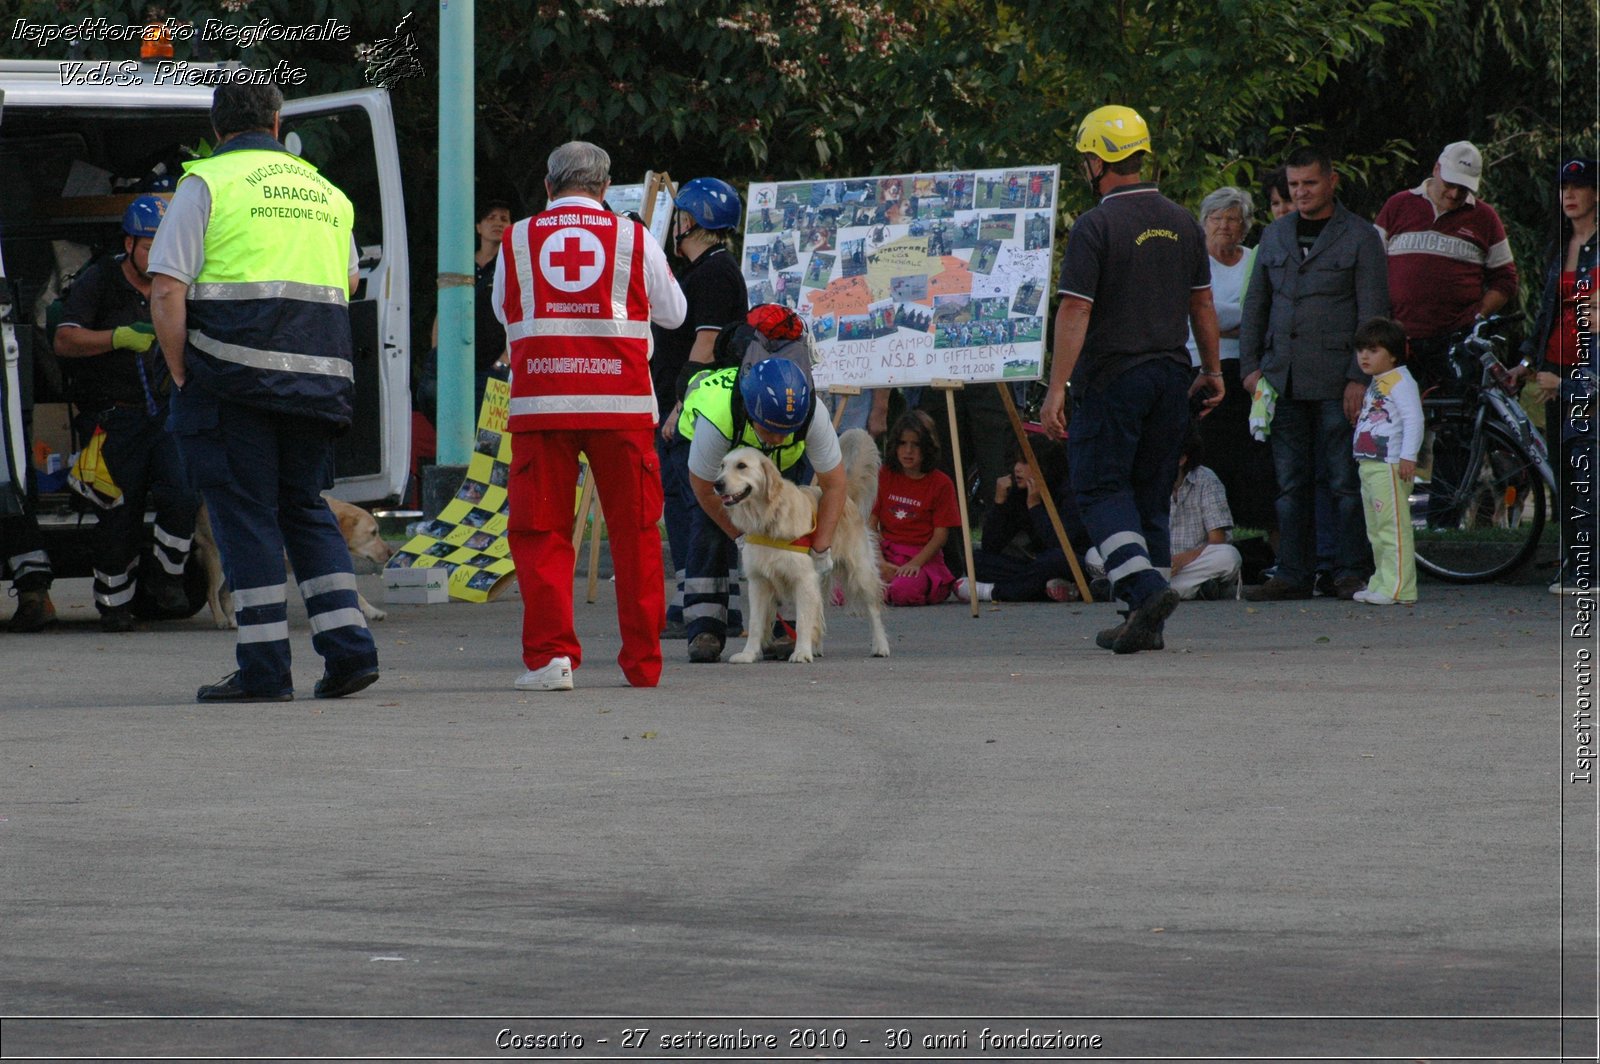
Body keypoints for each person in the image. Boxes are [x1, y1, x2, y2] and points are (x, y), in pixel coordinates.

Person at [149, 81, 380, 703]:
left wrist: (179, 371)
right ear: (277, 124)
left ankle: (263, 669)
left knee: (244, 518)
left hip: (231, 381)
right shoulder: (327, 193)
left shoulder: (207, 185)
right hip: (318, 384)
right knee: (305, 509)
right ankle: (351, 655)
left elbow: (167, 289)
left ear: (219, 129)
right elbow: (348, 284)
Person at [490, 141, 686, 691]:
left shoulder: (517, 238)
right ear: (604, 189)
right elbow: (675, 313)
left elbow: (502, 309)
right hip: (621, 406)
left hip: (542, 405)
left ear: (548, 187)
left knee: (541, 531)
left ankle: (552, 660)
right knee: (637, 532)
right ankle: (644, 665)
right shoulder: (633, 236)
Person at [1039, 103, 1224, 654]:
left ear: (1098, 160)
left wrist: (1055, 390)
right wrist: (1212, 371)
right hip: (1172, 375)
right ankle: (1144, 621)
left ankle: (1146, 592)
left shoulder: (1096, 225)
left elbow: (1075, 311)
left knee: (1100, 489)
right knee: (1149, 496)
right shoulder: (1184, 221)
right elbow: (1203, 303)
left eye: (1085, 159)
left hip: (1113, 378)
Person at [1240, 145, 1390, 602]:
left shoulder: (1361, 236)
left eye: (1309, 183)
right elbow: (1256, 306)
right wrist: (1249, 368)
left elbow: (1374, 313)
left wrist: (1358, 378)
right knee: (1289, 485)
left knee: (1345, 482)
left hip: (1336, 380)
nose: (1301, 192)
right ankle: (1293, 573)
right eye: (1293, 185)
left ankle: (1349, 571)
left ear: (1331, 181)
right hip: (1280, 379)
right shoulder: (1275, 234)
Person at [54, 194, 197, 632]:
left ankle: (165, 577)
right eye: (149, 245)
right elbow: (65, 340)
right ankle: (114, 603)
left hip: (168, 414)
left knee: (183, 495)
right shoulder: (99, 281)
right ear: (129, 243)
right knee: (118, 514)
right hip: (114, 418)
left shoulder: (178, 282)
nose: (158, 255)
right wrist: (116, 337)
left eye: (164, 244)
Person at [681, 356, 846, 662]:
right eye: (771, 430)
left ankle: (788, 630)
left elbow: (835, 485)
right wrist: (741, 536)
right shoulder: (718, 417)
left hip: (780, 470)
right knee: (708, 531)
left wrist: (820, 547)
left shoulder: (812, 414)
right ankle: (705, 627)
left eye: (787, 430)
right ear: (752, 411)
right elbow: (704, 487)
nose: (779, 438)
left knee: (790, 544)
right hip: (711, 461)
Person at [653, 176, 747, 639]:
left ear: (690, 219)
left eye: (678, 216)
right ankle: (701, 600)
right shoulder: (701, 270)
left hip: (696, 410)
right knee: (683, 503)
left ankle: (703, 609)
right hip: (690, 408)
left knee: (696, 504)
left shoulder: (714, 273)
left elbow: (705, 347)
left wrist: (677, 406)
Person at [1374, 142, 1517, 390]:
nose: (1454, 195)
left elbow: (1505, 279)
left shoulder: (1484, 217)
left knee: (1456, 419)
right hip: (1398, 341)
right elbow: (1370, 267)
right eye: (1449, 185)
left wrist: (1477, 316)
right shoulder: (1398, 206)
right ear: (1436, 169)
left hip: (1455, 344)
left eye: (1463, 189)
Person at [1519, 158, 1598, 594]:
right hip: (1557, 368)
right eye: (1564, 187)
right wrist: (1530, 360)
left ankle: (1590, 568)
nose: (1569, 195)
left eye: (1579, 187)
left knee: (1588, 469)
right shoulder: (1562, 244)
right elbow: (1548, 312)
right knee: (1565, 472)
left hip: (1589, 372)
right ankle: (1574, 561)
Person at [1186, 186, 1275, 532]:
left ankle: (1252, 537)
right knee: (1209, 456)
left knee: (1251, 460)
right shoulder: (1194, 260)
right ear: (1203, 222)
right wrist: (1235, 318)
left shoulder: (1255, 259)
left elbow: (1263, 314)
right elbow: (1196, 310)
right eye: (1216, 217)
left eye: (1232, 219)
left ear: (1245, 225)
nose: (1224, 225)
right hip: (1200, 369)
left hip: (1247, 372)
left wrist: (1212, 316)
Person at [1085, 431, 1242, 601]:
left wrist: (1181, 560)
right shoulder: (1144, 480)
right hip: (1147, 561)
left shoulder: (1207, 480)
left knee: (1228, 556)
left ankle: (1130, 591)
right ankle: (1191, 589)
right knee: (1094, 555)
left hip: (1189, 563)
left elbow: (1217, 540)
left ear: (1182, 459)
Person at [955, 436, 1091, 604]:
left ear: (1044, 466)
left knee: (1053, 559)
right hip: (1038, 566)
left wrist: (1035, 507)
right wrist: (999, 504)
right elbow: (991, 545)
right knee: (976, 561)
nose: (1017, 468)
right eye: (1017, 462)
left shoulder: (1069, 492)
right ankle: (1050, 589)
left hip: (1075, 562)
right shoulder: (1020, 492)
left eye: (1025, 463)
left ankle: (995, 592)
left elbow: (1060, 544)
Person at [1348, 317, 1422, 605]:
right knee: (1376, 530)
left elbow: (1413, 419)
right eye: (1361, 350)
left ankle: (1400, 588)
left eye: (1373, 350)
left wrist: (1408, 456)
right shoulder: (1378, 382)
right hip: (1370, 463)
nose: (1364, 356)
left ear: (1392, 353)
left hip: (1389, 464)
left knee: (1393, 528)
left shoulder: (1401, 381)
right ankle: (1381, 581)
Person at [872, 410, 960, 606]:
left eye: (916, 445)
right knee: (841, 590)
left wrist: (915, 564)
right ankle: (881, 590)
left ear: (927, 447)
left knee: (904, 591)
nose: (908, 451)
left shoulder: (941, 483)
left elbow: (940, 536)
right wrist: (879, 561)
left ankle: (887, 592)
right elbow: (870, 526)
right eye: (903, 444)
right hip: (886, 554)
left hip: (923, 558)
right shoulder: (884, 475)